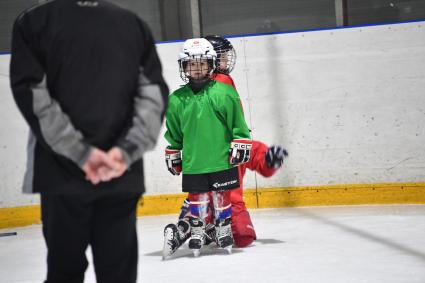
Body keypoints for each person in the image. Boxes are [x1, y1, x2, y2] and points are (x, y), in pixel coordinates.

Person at [9, 1, 168, 282]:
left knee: (64, 273)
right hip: (121, 174)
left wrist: (82, 154)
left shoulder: (34, 22)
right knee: (119, 276)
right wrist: (124, 152)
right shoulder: (133, 24)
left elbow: (34, 96)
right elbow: (152, 98)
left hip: (62, 176)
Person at [162, 35, 288, 259]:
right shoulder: (205, 89)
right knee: (201, 200)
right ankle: (190, 222)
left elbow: (243, 136)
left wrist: (267, 159)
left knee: (243, 236)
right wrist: (175, 150)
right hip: (202, 165)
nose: (226, 61)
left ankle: (203, 227)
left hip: (225, 166)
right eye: (222, 56)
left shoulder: (223, 88)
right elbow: (180, 129)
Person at [163, 38, 252, 257]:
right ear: (184, 66)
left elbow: (238, 123)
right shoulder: (176, 99)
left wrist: (240, 140)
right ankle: (197, 229)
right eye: (191, 64)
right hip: (194, 163)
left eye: (202, 63)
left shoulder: (224, 92)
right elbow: (174, 132)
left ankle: (222, 227)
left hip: (221, 160)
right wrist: (173, 150)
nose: (197, 68)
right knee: (197, 197)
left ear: (210, 64)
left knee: (223, 198)